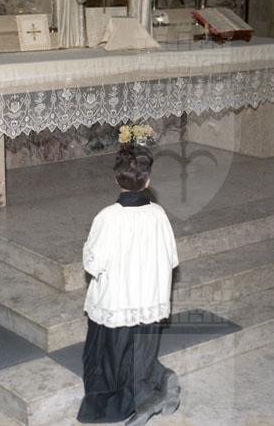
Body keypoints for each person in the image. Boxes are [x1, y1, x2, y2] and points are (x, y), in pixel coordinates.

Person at [77, 144, 180, 425]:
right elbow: (172, 259)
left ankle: (134, 401)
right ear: (148, 181)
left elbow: (92, 264)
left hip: (118, 303)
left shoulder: (107, 217)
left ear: (116, 179)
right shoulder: (159, 214)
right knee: (141, 355)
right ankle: (157, 384)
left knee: (110, 360)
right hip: (149, 301)